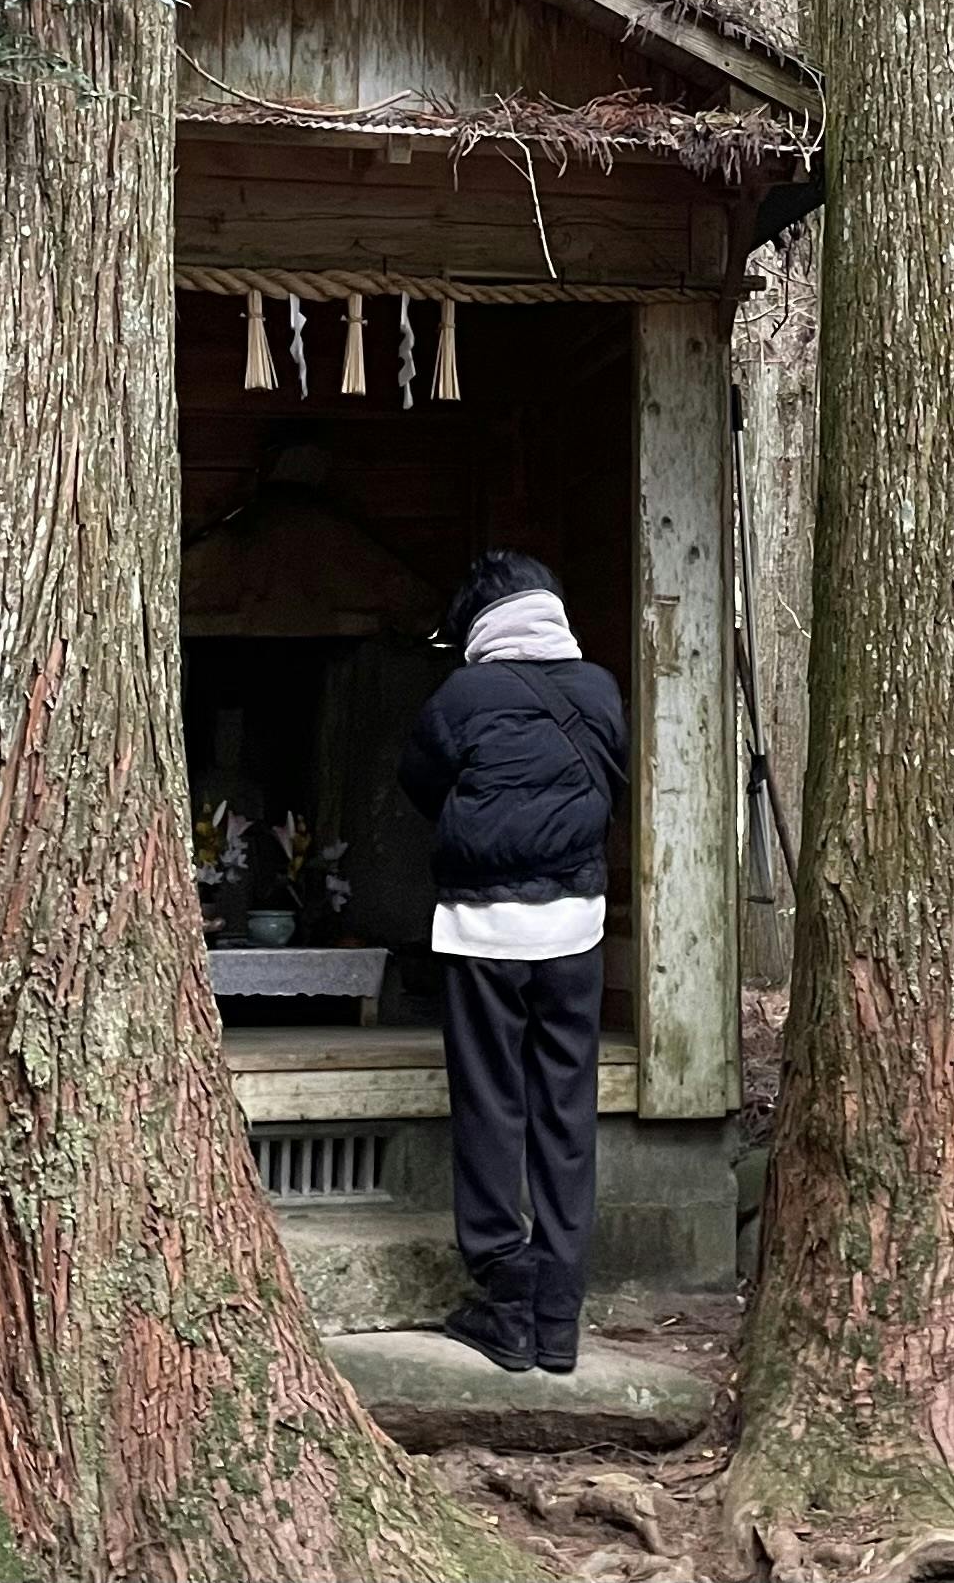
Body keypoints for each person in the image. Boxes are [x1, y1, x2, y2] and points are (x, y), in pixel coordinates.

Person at [398, 550, 627, 1375]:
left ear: (478, 624)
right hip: (575, 929)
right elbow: (612, 784)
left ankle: (504, 1295)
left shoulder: (460, 696)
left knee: (491, 1104)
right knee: (566, 1114)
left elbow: (419, 784)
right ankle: (557, 1318)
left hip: (482, 931)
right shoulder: (599, 690)